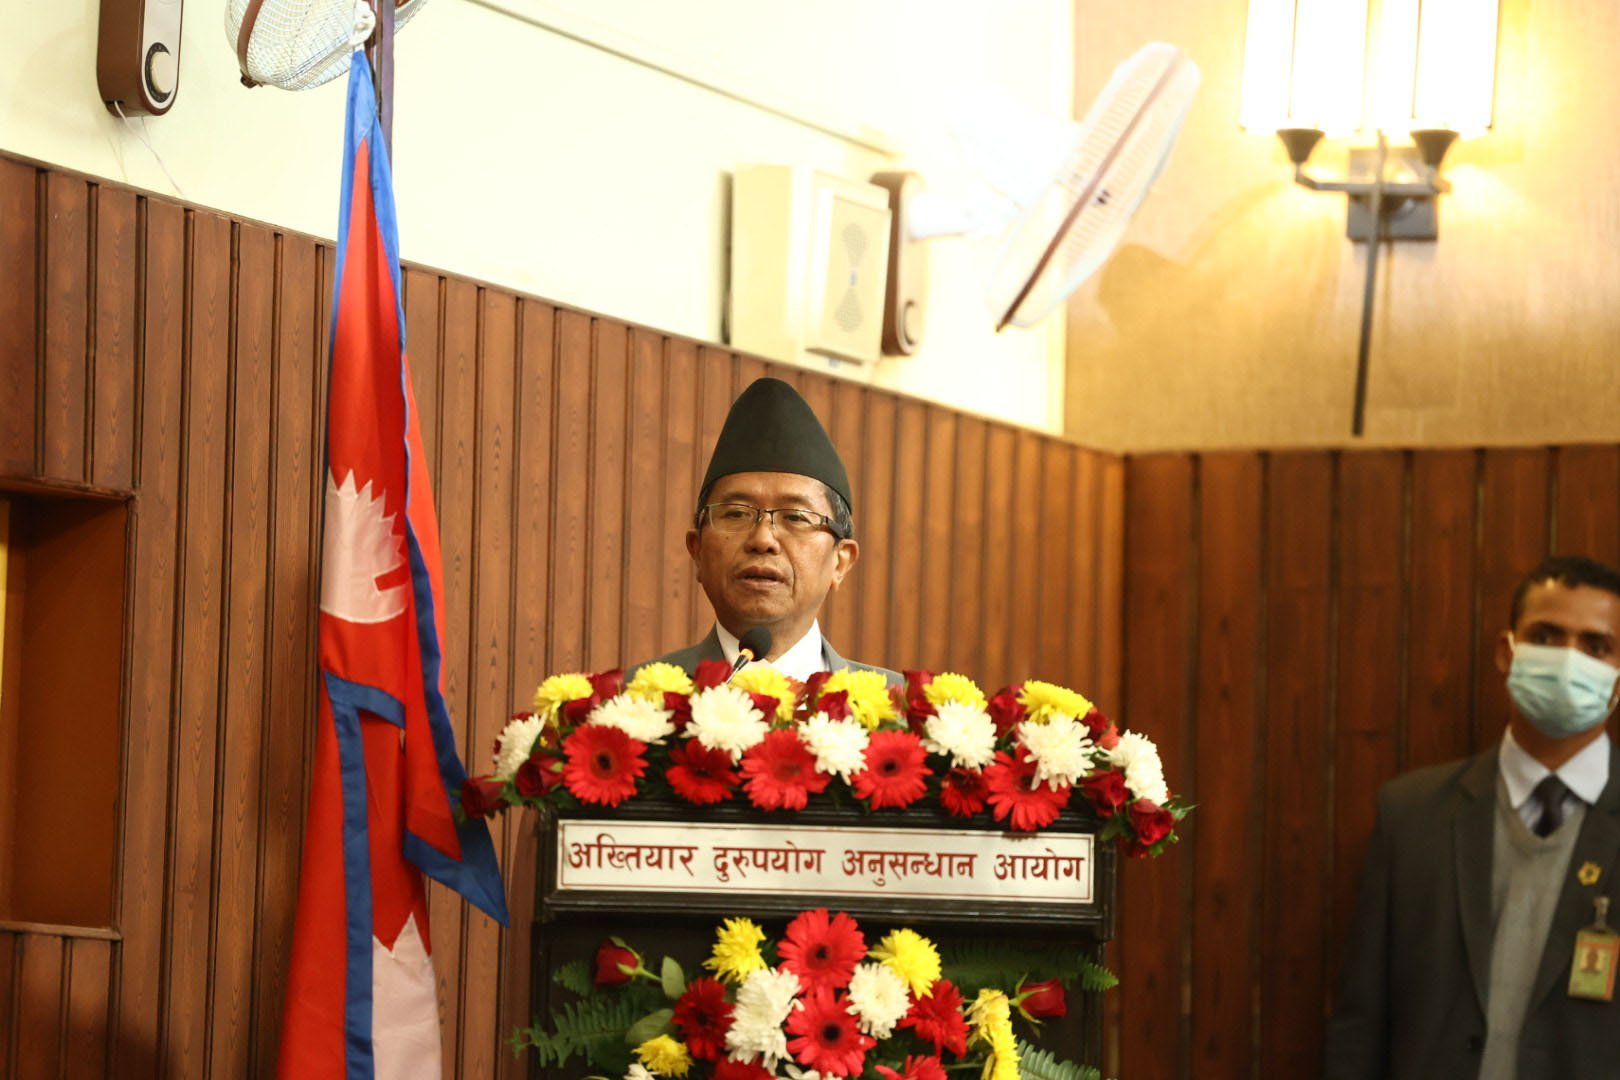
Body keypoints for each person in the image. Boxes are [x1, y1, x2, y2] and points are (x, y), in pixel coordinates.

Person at [1323, 554, 1620, 1080]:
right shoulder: (1411, 815)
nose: (1568, 661)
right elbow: (1361, 1022)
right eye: (1546, 637)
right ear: (1507, 652)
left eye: (1596, 646)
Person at [640, 377, 900, 685]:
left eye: (795, 517)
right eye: (737, 513)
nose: (763, 540)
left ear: (840, 561)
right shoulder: (628, 701)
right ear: (697, 550)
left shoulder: (905, 706)